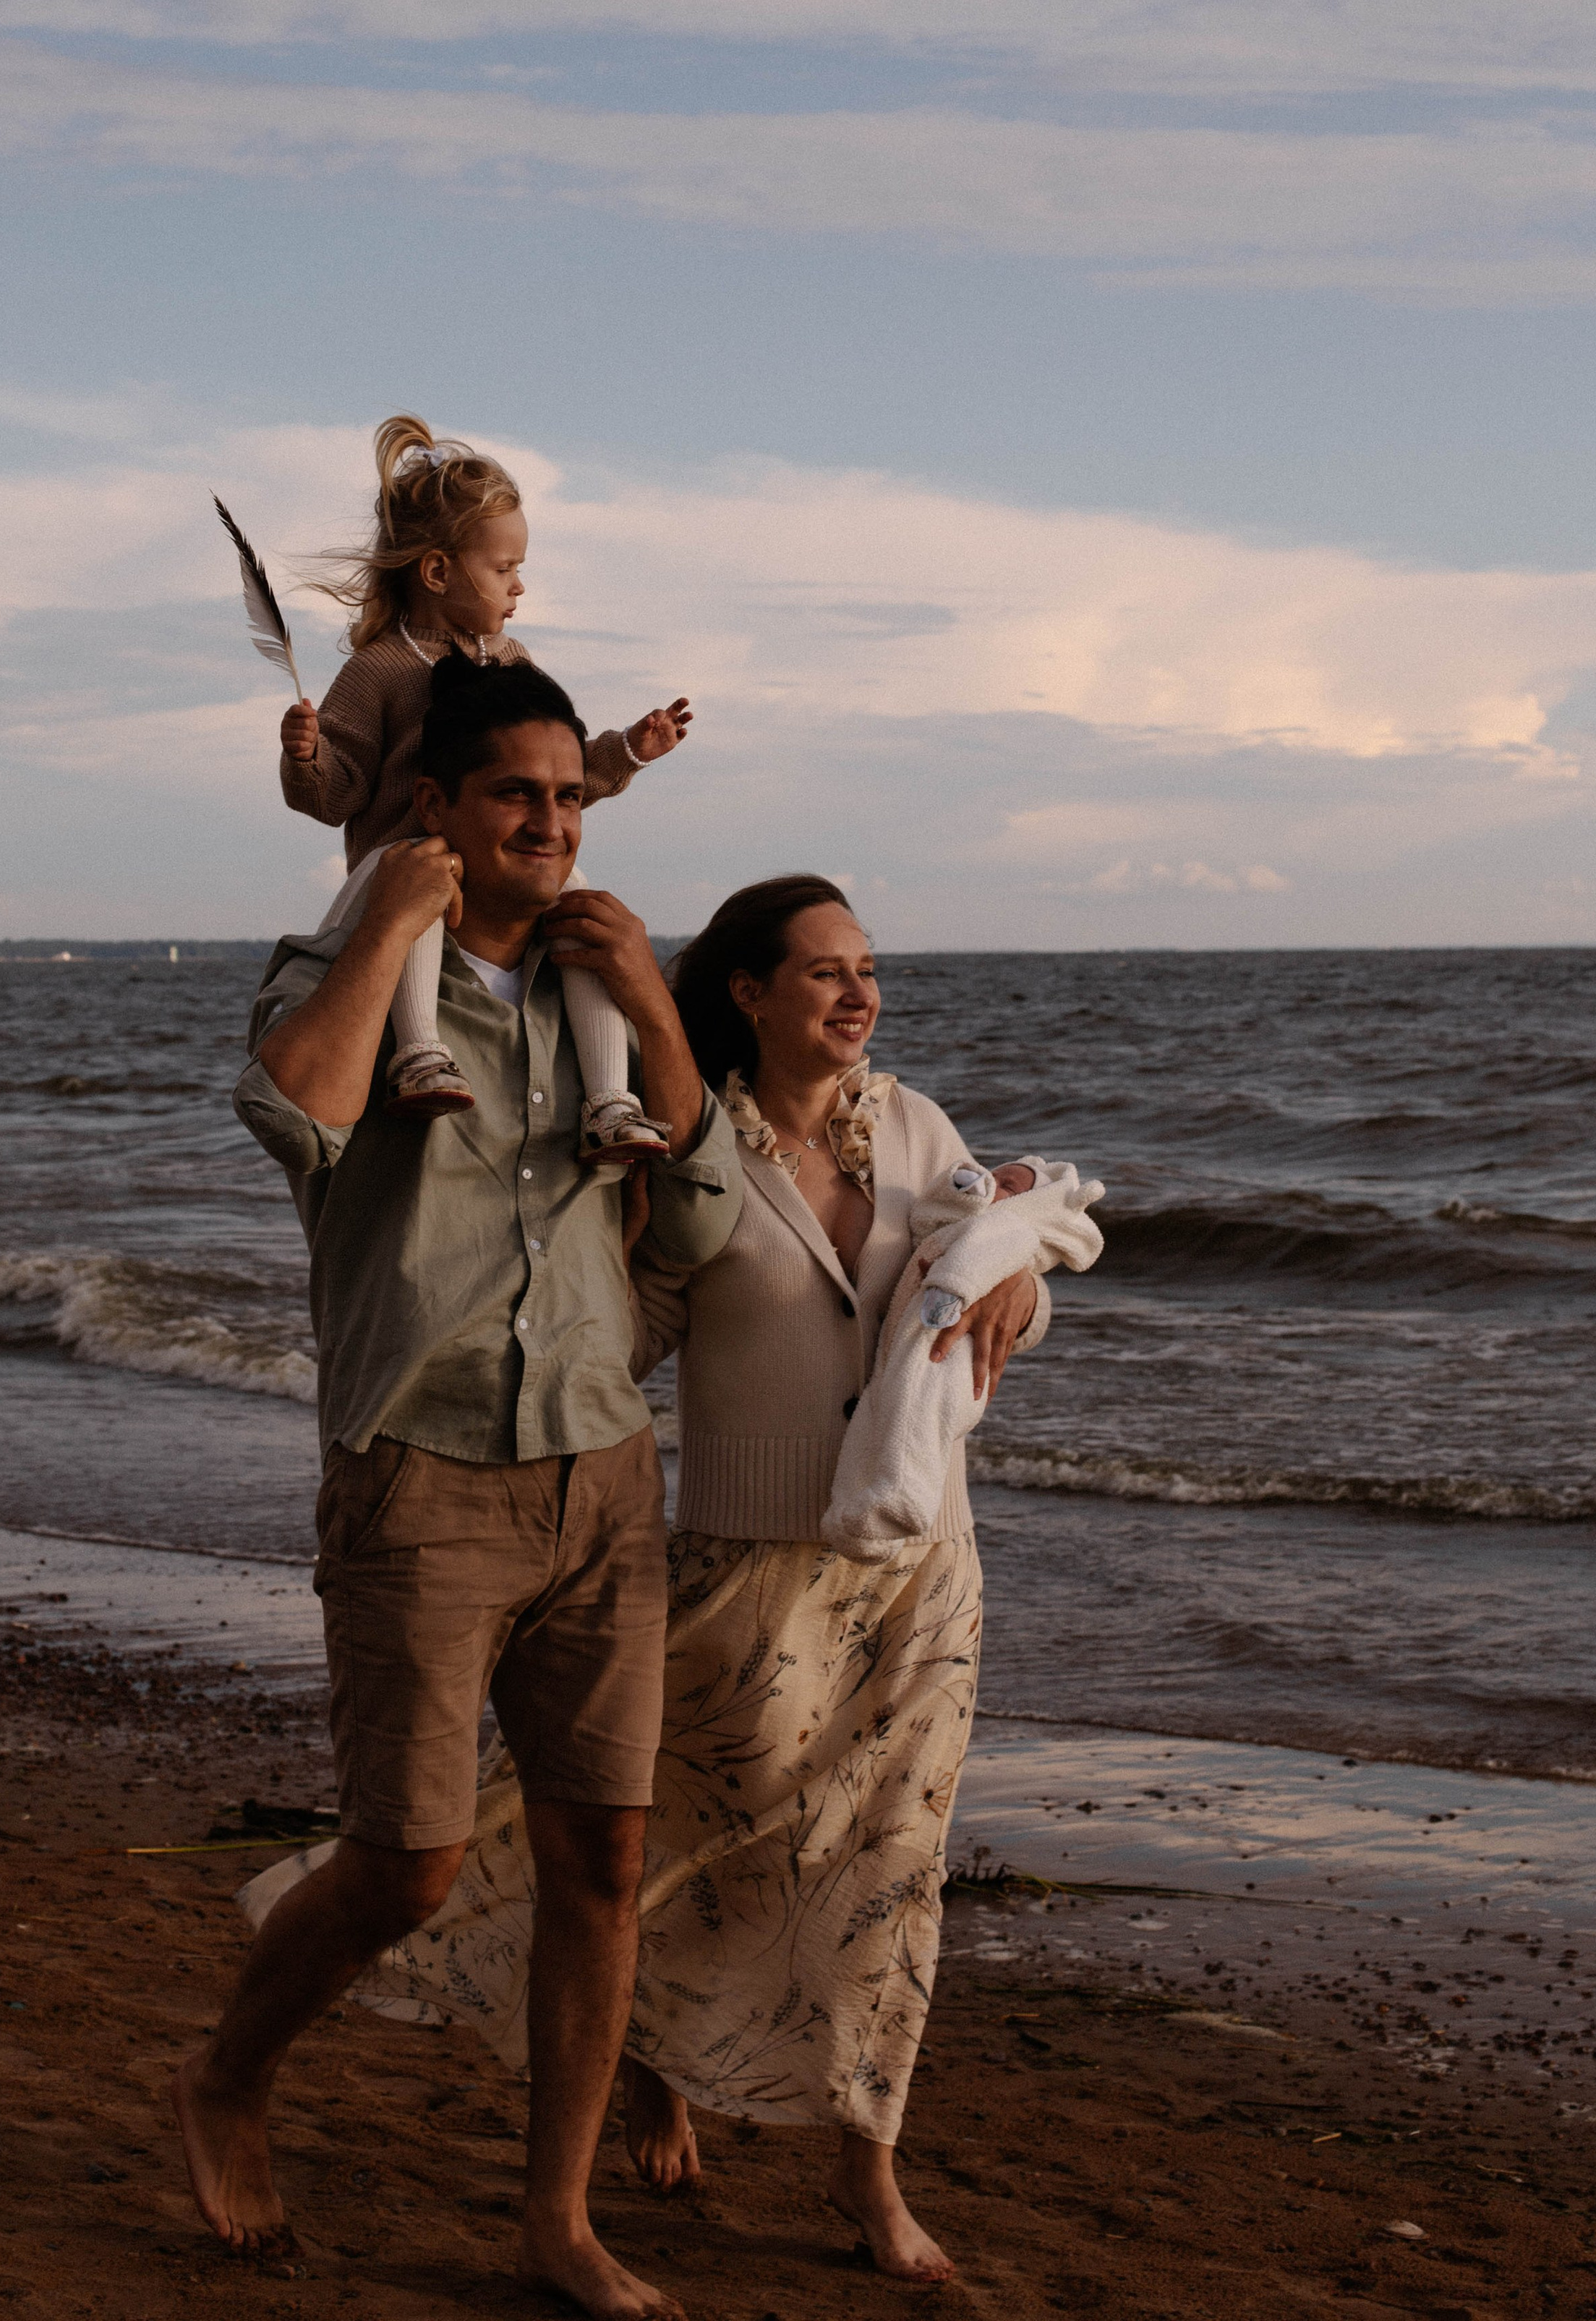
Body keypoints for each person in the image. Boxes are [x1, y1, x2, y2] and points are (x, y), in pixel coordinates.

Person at [326, 874, 1062, 2288]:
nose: (859, 995)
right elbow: (612, 1335)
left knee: (888, 1875)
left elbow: (992, 1254)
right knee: (681, 1852)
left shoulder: (913, 1127)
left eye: (868, 970)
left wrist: (1025, 1286)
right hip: (741, 1573)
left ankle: (865, 2174)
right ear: (746, 994)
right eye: (825, 972)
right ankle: (653, 2061)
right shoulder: (691, 1150)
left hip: (921, 1577)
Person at [172, 652, 741, 2321]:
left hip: (599, 1470)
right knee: (406, 1861)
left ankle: (553, 2219)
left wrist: (651, 1004)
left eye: (571, 796)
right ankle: (225, 2073)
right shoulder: (346, 960)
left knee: (602, 1858)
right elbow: (291, 1112)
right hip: (417, 1480)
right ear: (436, 804)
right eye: (519, 794)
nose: (555, 823)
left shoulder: (596, 985)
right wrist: (379, 931)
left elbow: (700, 1223)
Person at [278, 409, 691, 1162]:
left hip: (503, 868)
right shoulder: (378, 669)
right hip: (404, 862)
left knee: (582, 920)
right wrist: (306, 759)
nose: (520, 586)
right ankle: (419, 1055)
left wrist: (626, 750)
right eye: (504, 569)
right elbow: (337, 796)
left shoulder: (516, 660)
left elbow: (553, 776)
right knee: (420, 877)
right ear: (437, 571)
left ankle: (610, 1101)